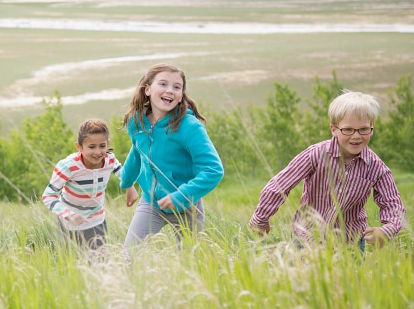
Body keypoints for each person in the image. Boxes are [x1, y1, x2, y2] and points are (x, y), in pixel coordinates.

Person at [249, 90, 406, 248]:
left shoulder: (376, 166)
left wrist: (387, 230)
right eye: (348, 130)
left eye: (363, 129)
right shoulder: (315, 155)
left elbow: (393, 205)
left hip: (351, 242)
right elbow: (279, 185)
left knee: (350, 274)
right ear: (333, 129)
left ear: (372, 127)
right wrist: (260, 219)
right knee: (301, 272)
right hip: (308, 238)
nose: (356, 136)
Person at [119, 63, 224, 249]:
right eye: (163, 84)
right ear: (148, 89)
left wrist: (180, 197)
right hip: (151, 203)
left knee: (188, 263)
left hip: (186, 207)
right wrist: (127, 184)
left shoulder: (189, 127)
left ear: (181, 95)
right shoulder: (137, 123)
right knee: (130, 256)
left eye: (177, 87)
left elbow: (213, 170)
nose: (170, 90)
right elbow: (137, 153)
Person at [42, 118, 138, 253]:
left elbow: (120, 170)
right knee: (71, 262)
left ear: (107, 144)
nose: (98, 152)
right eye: (91, 147)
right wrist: (68, 214)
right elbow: (48, 196)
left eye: (102, 146)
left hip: (97, 220)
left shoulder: (109, 159)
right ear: (79, 147)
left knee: (100, 262)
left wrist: (130, 187)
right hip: (69, 224)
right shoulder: (68, 166)